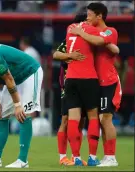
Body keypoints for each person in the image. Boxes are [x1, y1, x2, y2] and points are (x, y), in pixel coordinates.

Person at [69, 2, 121, 166]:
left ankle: (111, 157)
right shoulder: (90, 30)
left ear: (99, 16)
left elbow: (99, 41)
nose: (87, 17)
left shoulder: (109, 31)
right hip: (94, 82)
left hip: (108, 81)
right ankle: (106, 156)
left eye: (90, 14)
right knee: (99, 119)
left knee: (105, 118)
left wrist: (80, 32)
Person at [53, 12, 88, 166]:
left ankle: (76, 156)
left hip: (85, 84)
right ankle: (62, 157)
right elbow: (55, 54)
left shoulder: (89, 41)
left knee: (80, 122)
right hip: (69, 84)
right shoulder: (69, 40)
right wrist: (70, 55)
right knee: (66, 120)